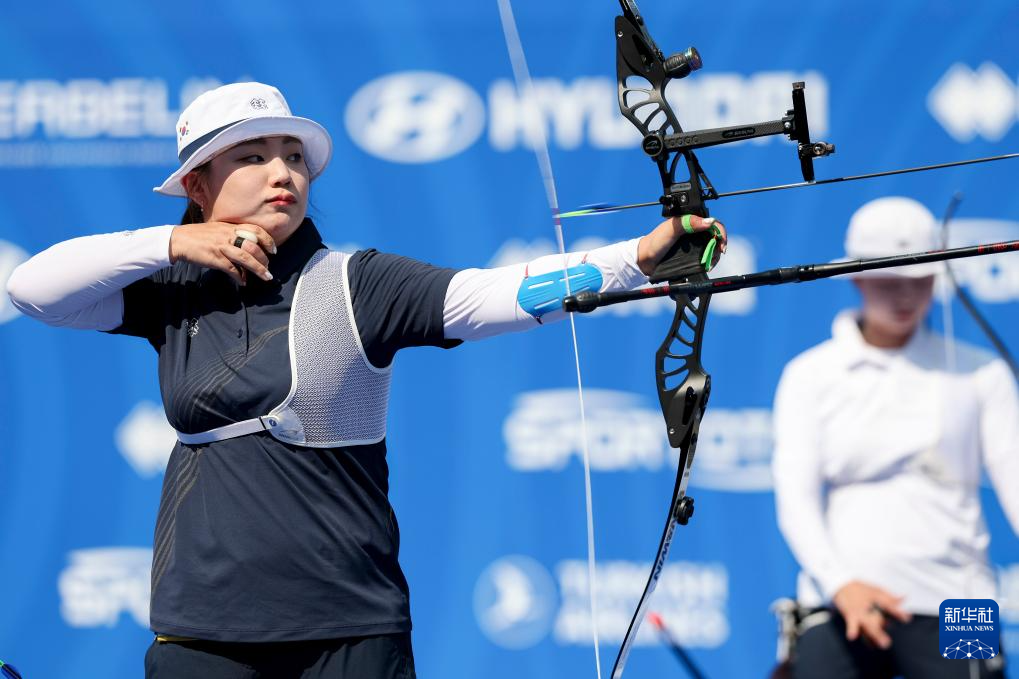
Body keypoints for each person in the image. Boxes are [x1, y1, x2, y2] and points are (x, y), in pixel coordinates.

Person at [5, 81, 727, 679]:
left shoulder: (359, 282)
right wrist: (171, 241)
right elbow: (32, 289)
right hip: (201, 630)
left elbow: (490, 297)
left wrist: (637, 257)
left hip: (347, 629)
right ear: (197, 185)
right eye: (251, 157)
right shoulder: (172, 291)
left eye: (293, 156)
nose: (282, 173)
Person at [771, 196, 1019, 679]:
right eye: (889, 281)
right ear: (856, 278)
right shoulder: (809, 375)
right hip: (840, 600)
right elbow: (795, 498)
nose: (906, 296)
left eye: (921, 280)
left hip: (963, 603)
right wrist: (842, 585)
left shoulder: (982, 372)